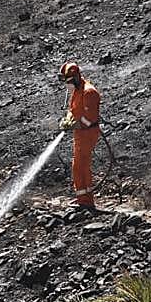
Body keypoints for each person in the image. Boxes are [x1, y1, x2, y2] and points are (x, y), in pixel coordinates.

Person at [58, 61, 101, 209]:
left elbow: (89, 120)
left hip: (88, 133)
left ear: (76, 77)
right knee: (78, 166)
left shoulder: (89, 92)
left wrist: (73, 125)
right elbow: (74, 109)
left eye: (69, 81)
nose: (67, 85)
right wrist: (68, 119)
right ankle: (82, 198)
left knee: (81, 166)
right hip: (80, 133)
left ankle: (86, 202)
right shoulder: (77, 90)